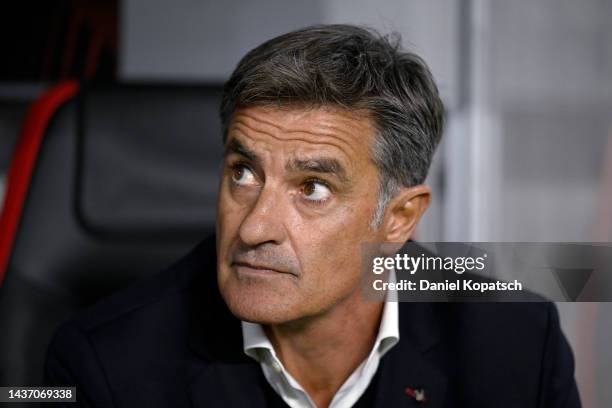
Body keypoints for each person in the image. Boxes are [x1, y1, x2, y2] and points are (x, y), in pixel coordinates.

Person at [45, 25, 580, 407]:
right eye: (243, 172)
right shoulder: (105, 366)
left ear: (398, 218)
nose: (253, 228)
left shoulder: (516, 344)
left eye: (313, 188)